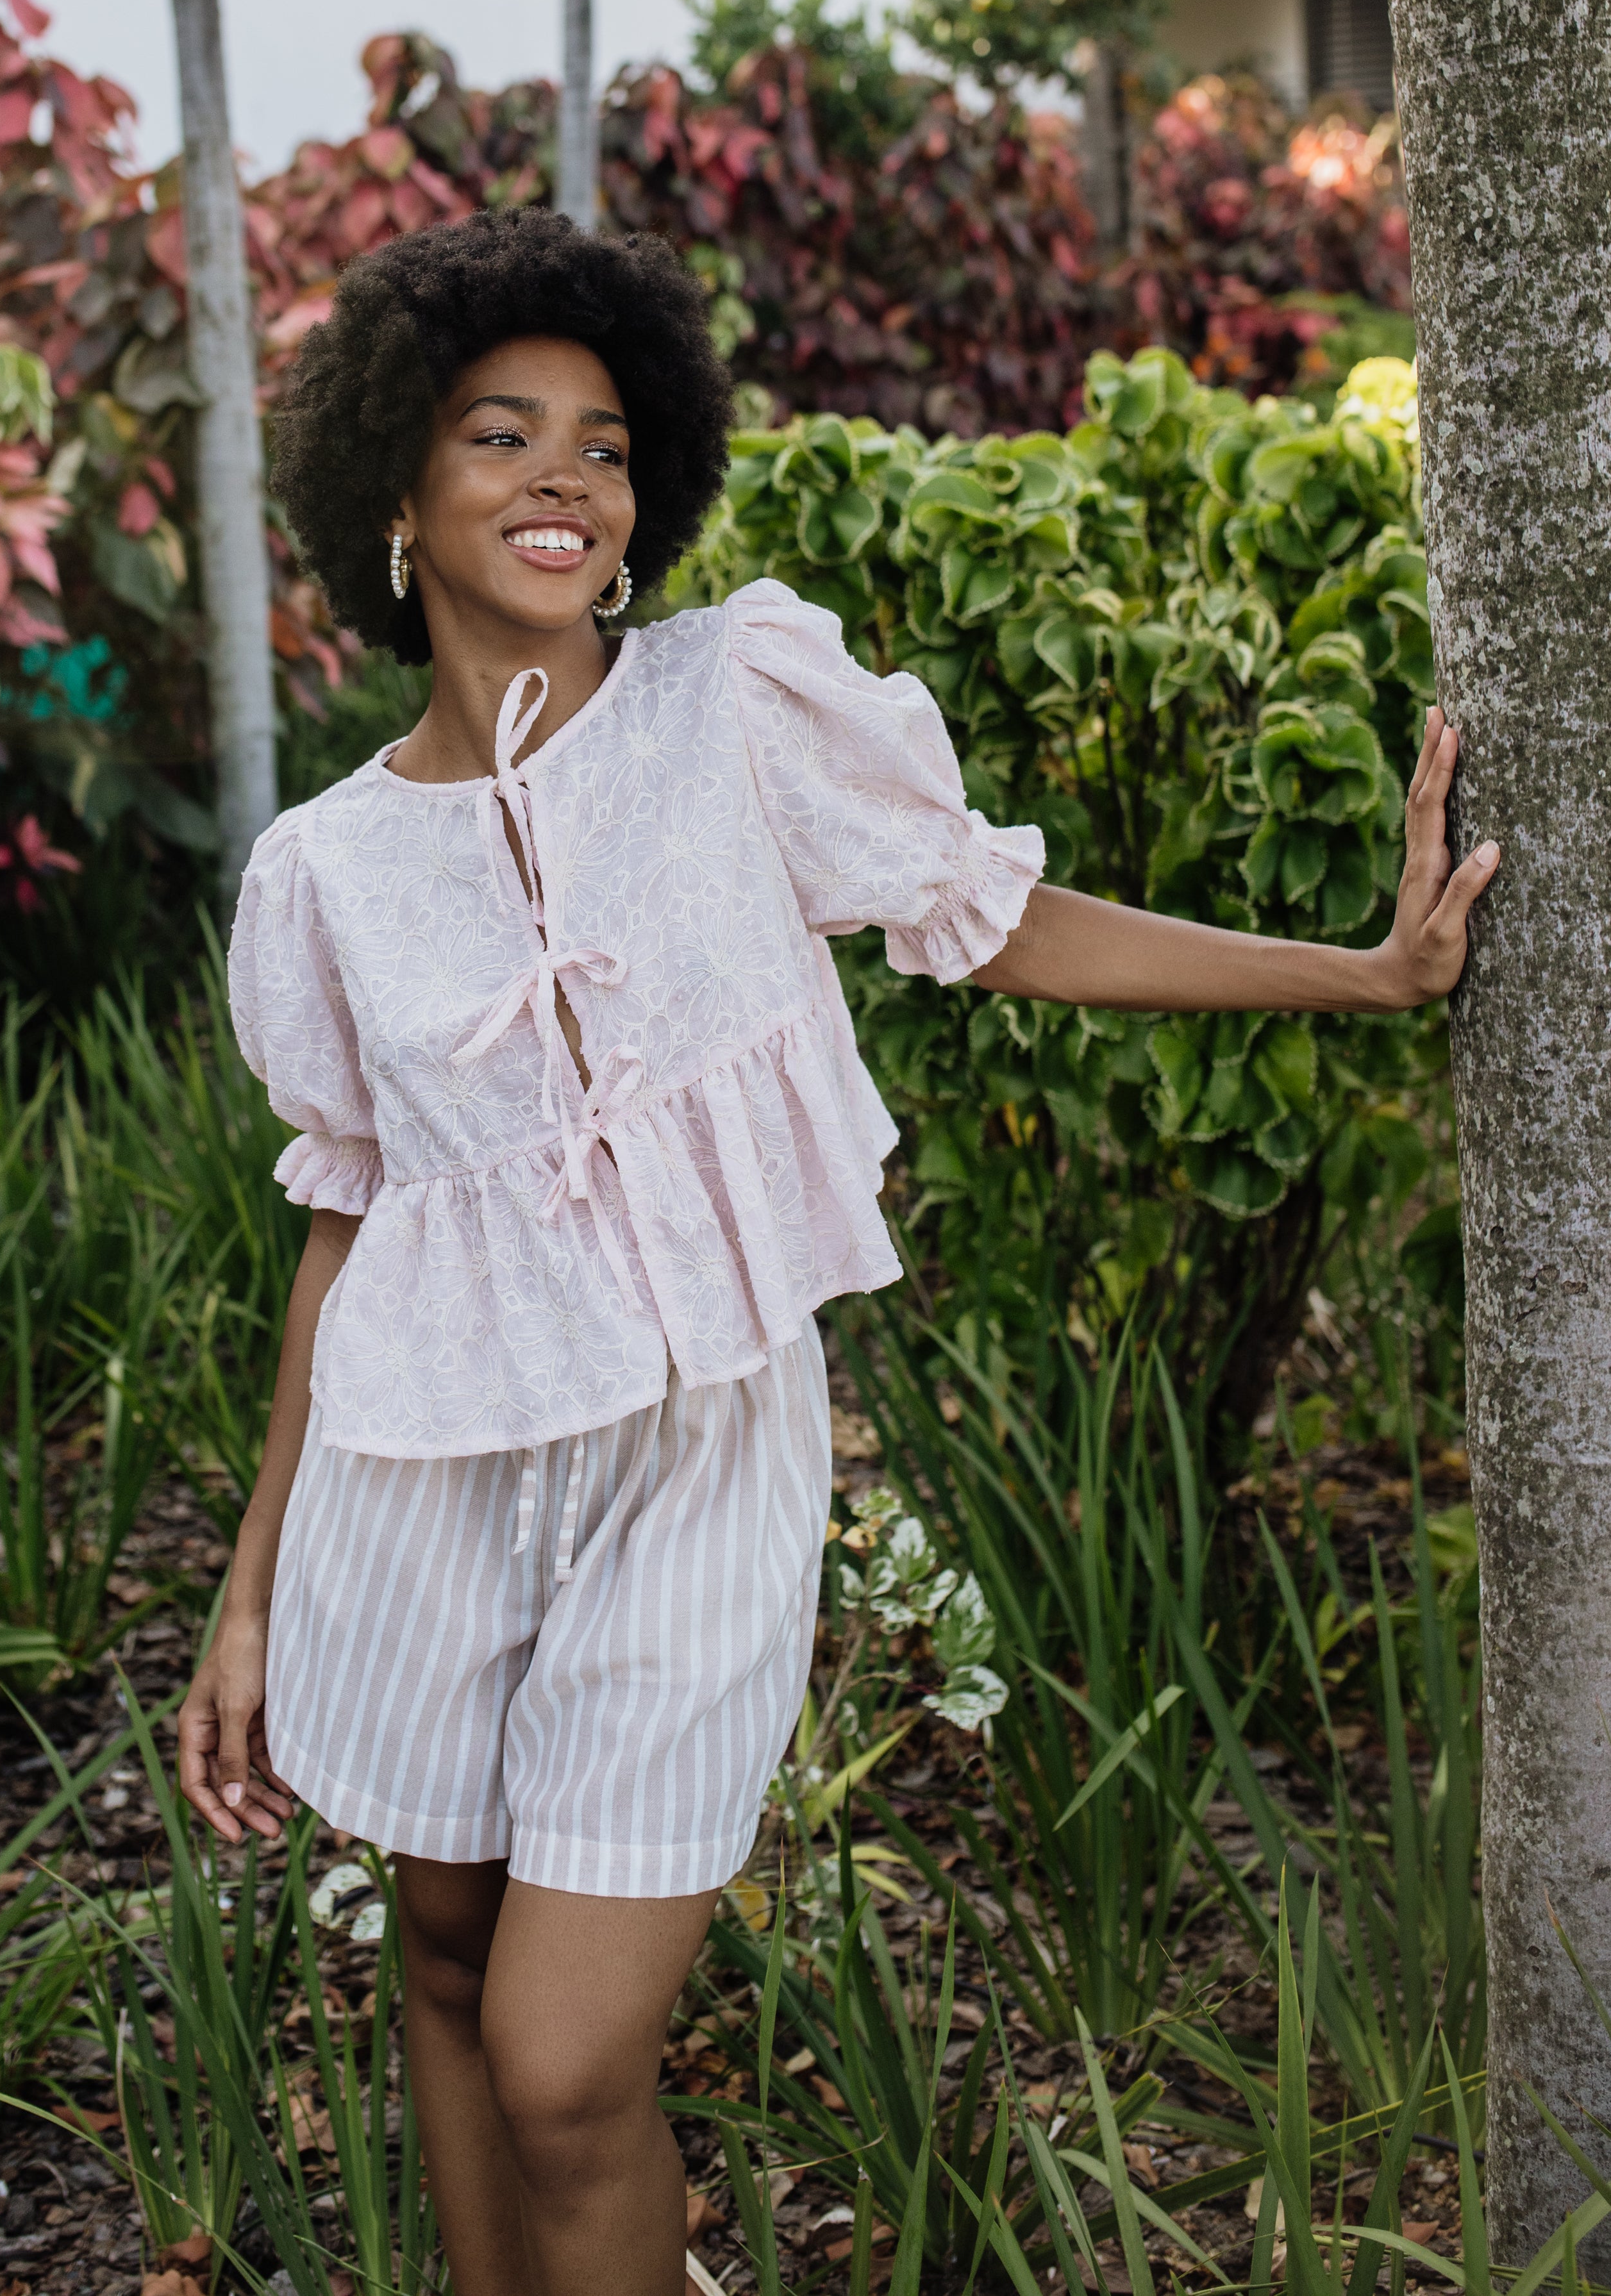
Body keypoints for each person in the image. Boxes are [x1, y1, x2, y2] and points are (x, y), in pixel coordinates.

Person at [176, 207, 1496, 2296]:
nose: (559, 478)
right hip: (423, 1472)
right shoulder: (324, 870)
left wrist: (1358, 974)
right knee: (440, 1959)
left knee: (563, 2056)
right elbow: (349, 1224)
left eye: (603, 444)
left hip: (701, 1450)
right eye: (498, 433)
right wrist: (251, 1595)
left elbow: (1001, 920)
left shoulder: (732, 709)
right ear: (398, 501)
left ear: (643, 503)